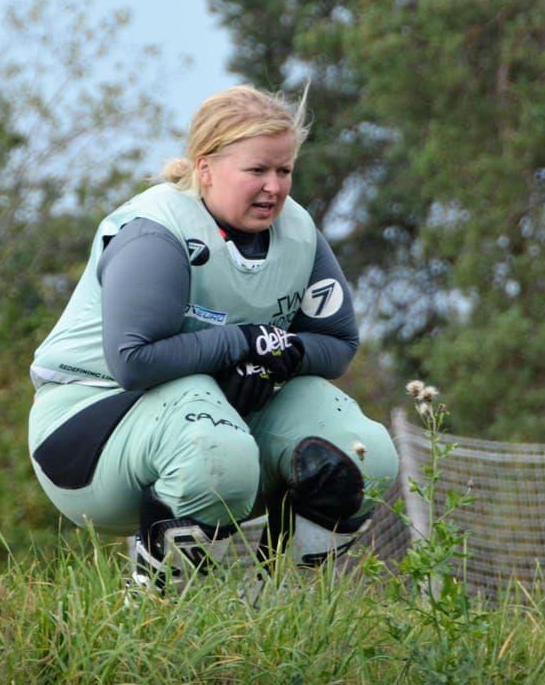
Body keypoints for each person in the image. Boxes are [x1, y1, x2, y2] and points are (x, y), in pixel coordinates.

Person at [26, 85, 399, 589]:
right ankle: (161, 623)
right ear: (204, 167)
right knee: (217, 454)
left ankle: (276, 608)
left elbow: (337, 346)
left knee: (363, 454)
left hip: (208, 410)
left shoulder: (298, 232)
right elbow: (134, 362)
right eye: (256, 170)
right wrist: (243, 343)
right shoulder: (155, 232)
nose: (273, 187)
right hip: (89, 426)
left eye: (283, 170)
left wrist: (281, 354)